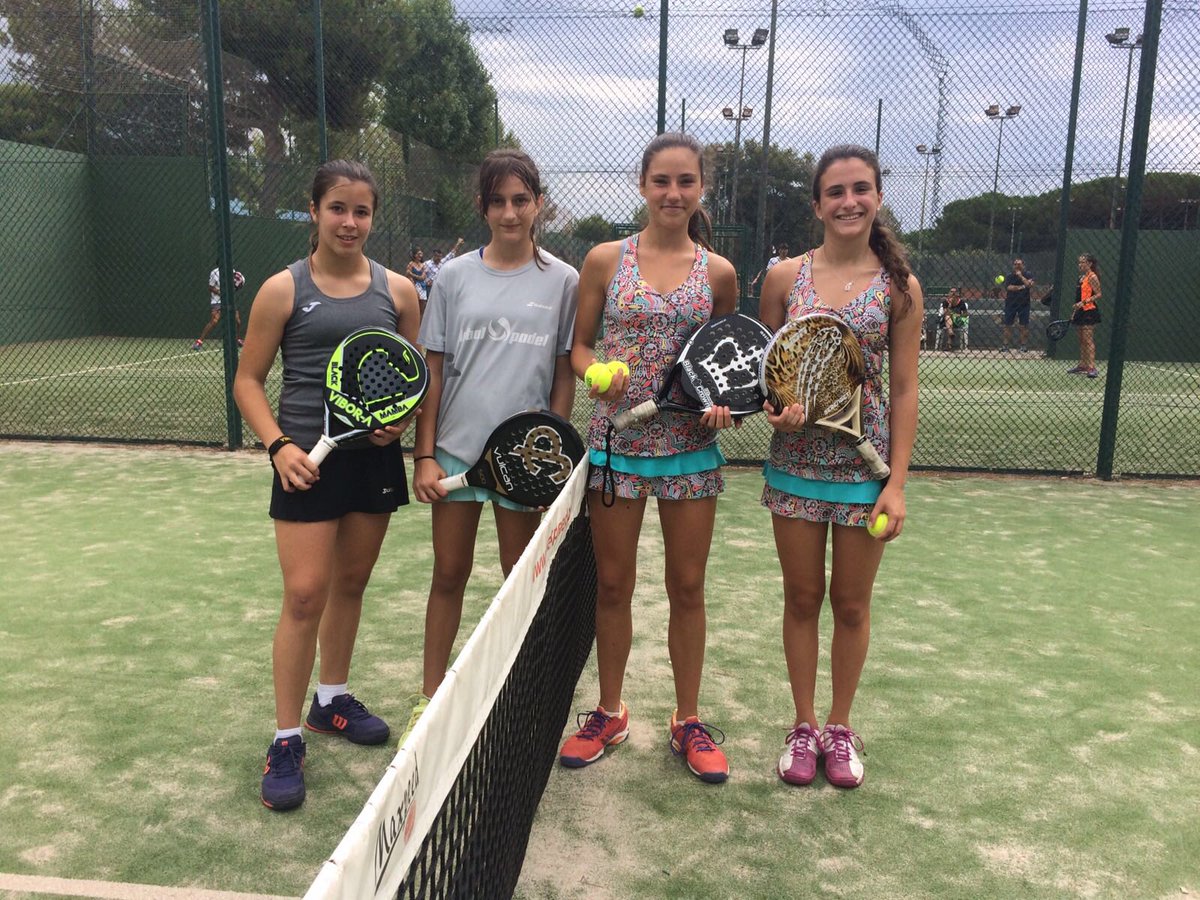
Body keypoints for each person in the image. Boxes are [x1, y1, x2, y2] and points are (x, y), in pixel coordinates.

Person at [233, 159, 421, 811]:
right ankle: (286, 739)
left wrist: (400, 423)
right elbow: (248, 381)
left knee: (351, 584)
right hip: (304, 464)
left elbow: (410, 376)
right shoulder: (282, 289)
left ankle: (331, 701)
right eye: (337, 208)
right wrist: (279, 446)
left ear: (373, 218)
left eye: (361, 211)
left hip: (373, 463)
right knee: (305, 595)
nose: (349, 222)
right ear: (314, 211)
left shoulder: (400, 292)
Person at [559, 132, 739, 785]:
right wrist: (595, 373)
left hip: (690, 452)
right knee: (613, 585)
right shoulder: (604, 260)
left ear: (700, 188)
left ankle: (688, 720)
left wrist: (723, 405)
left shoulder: (719, 273)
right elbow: (579, 348)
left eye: (685, 181)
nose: (673, 192)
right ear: (642, 185)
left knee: (687, 588)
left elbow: (725, 361)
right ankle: (609, 713)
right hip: (617, 448)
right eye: (661, 180)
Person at [758, 144, 920, 789]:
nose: (849, 202)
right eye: (836, 191)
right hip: (793, 466)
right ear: (817, 204)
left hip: (865, 477)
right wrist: (776, 411)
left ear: (877, 197)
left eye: (860, 189)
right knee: (802, 599)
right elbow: (769, 375)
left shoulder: (900, 287)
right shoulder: (783, 279)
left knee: (851, 605)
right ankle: (803, 727)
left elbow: (904, 389)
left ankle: (840, 727)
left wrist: (896, 484)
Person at [409, 149, 579, 735]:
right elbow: (433, 371)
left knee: (519, 581)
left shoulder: (563, 281)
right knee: (448, 575)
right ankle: (429, 703)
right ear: (483, 207)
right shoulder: (453, 277)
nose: (510, 213)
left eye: (521, 200)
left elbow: (563, 374)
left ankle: (522, 697)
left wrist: (552, 458)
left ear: (538, 204)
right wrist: (424, 455)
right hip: (455, 454)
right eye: (498, 201)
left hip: (525, 462)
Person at [192, 264, 245, 350]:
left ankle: (236, 340)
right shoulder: (214, 272)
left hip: (228, 300)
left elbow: (236, 283)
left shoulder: (232, 271)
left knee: (237, 321)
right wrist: (222, 293)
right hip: (216, 301)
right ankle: (199, 342)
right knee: (214, 321)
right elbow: (210, 287)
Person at [1068, 253, 1102, 378]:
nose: (1080, 264)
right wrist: (1075, 311)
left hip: (1089, 310)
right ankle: (1083, 365)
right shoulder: (1081, 278)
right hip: (1080, 311)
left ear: (1090, 264)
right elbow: (1079, 297)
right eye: (1079, 262)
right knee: (1081, 339)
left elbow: (1098, 294)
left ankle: (1092, 368)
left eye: (1082, 262)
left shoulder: (1092, 277)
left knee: (1088, 340)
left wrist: (1083, 303)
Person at [1002, 258, 1035, 352]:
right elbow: (1009, 287)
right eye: (1015, 264)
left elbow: (1029, 285)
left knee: (1023, 325)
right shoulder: (1009, 276)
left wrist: (1021, 276)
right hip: (1011, 303)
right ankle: (1005, 346)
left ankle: (1023, 346)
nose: (1017, 266)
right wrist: (1022, 286)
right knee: (1007, 325)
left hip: (1024, 304)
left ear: (1023, 265)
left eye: (1019, 264)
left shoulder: (1028, 274)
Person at [937, 287, 969, 351]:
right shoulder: (945, 302)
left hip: (957, 321)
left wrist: (959, 315)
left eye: (954, 292)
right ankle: (950, 339)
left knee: (949, 320)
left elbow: (966, 314)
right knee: (947, 317)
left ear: (957, 293)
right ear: (949, 293)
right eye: (951, 292)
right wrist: (950, 305)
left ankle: (950, 339)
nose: (953, 293)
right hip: (946, 321)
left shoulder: (961, 302)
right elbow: (945, 313)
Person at [405, 248, 428, 312]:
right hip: (414, 285)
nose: (420, 255)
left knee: (423, 304)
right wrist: (414, 286)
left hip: (422, 286)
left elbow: (423, 277)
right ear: (415, 255)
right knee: (415, 303)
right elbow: (407, 275)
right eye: (419, 254)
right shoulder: (411, 264)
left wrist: (412, 274)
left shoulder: (423, 265)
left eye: (421, 254)